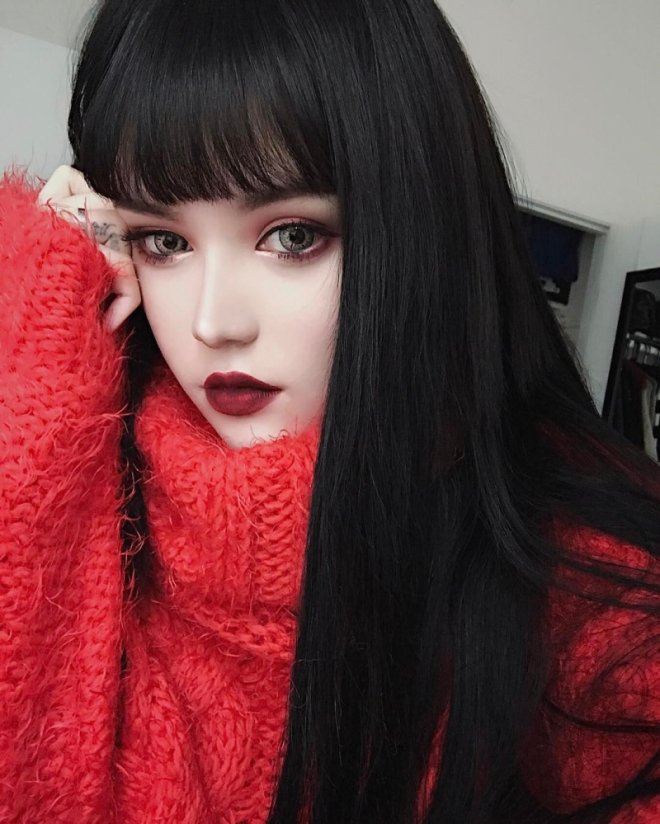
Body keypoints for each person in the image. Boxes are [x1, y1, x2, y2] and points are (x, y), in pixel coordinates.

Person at [1, 0, 658, 821]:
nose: (213, 323)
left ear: (422, 231)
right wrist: (42, 304)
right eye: (163, 242)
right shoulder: (83, 500)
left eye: (292, 237)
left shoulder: (599, 609)